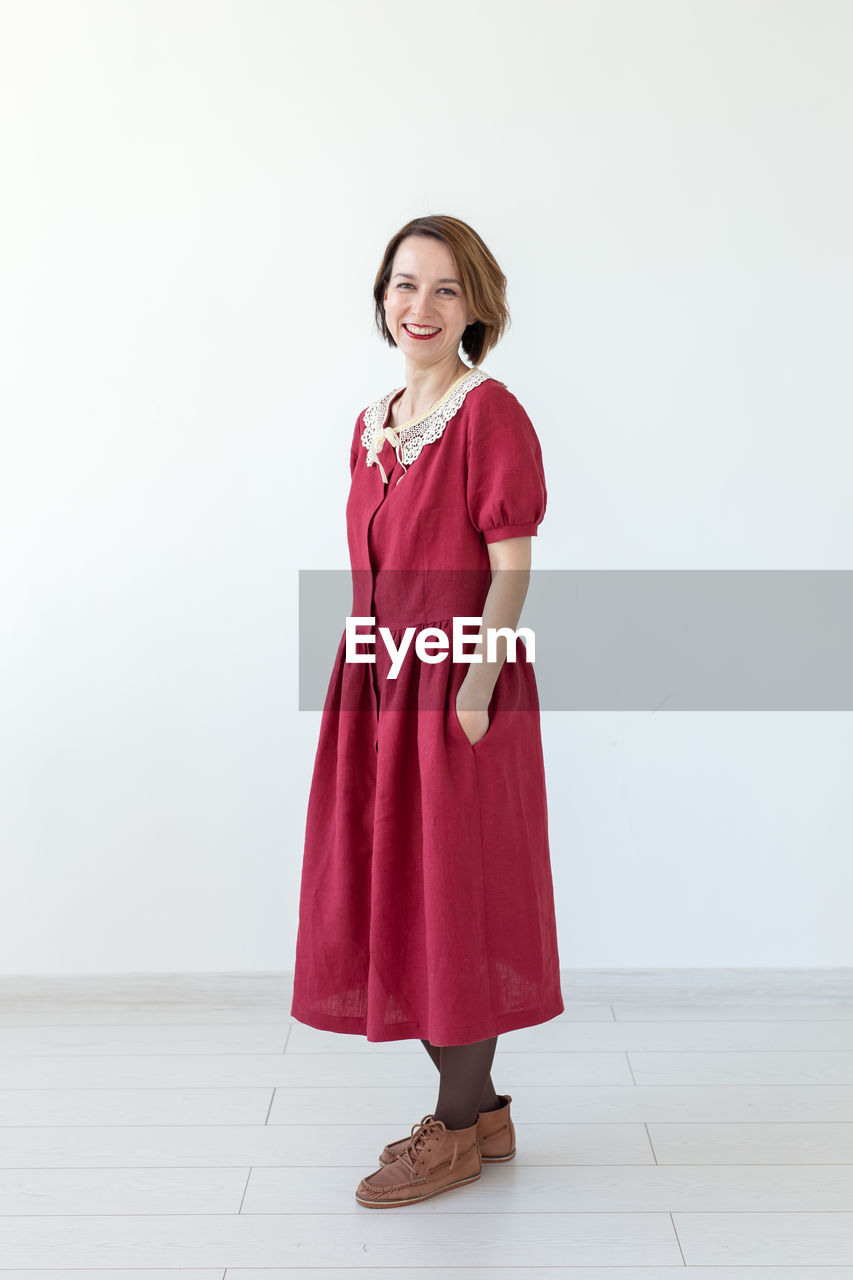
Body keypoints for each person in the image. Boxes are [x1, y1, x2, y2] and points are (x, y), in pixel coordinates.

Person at [290, 214, 564, 1207]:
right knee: (404, 890)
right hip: (376, 684)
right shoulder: (374, 423)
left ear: (475, 307)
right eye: (404, 285)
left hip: (454, 688)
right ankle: (482, 1107)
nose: (419, 306)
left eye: (444, 289)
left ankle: (452, 1130)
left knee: (454, 895)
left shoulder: (487, 414)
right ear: (381, 297)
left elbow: (511, 564)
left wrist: (477, 689)